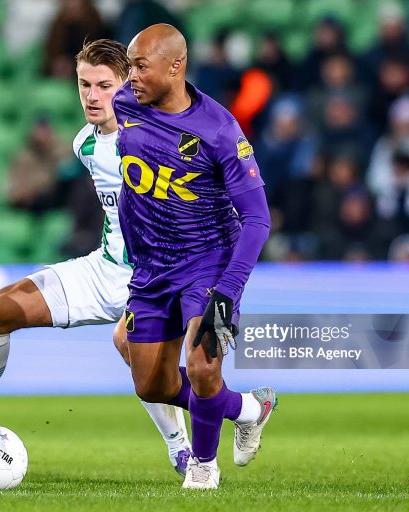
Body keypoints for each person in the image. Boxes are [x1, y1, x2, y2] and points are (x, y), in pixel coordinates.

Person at [0, 39, 192, 476]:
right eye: (84, 85)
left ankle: (183, 448)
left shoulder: (161, 139)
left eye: (104, 85)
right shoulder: (85, 144)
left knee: (135, 352)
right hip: (103, 269)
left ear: (129, 86)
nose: (92, 96)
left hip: (157, 278)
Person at [113, 24, 276, 490]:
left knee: (203, 366)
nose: (133, 77)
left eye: (141, 66)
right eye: (130, 67)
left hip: (207, 261)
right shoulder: (126, 104)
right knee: (152, 385)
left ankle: (204, 466)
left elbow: (258, 219)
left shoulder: (219, 129)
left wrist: (228, 291)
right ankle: (247, 408)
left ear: (176, 66)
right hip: (151, 267)